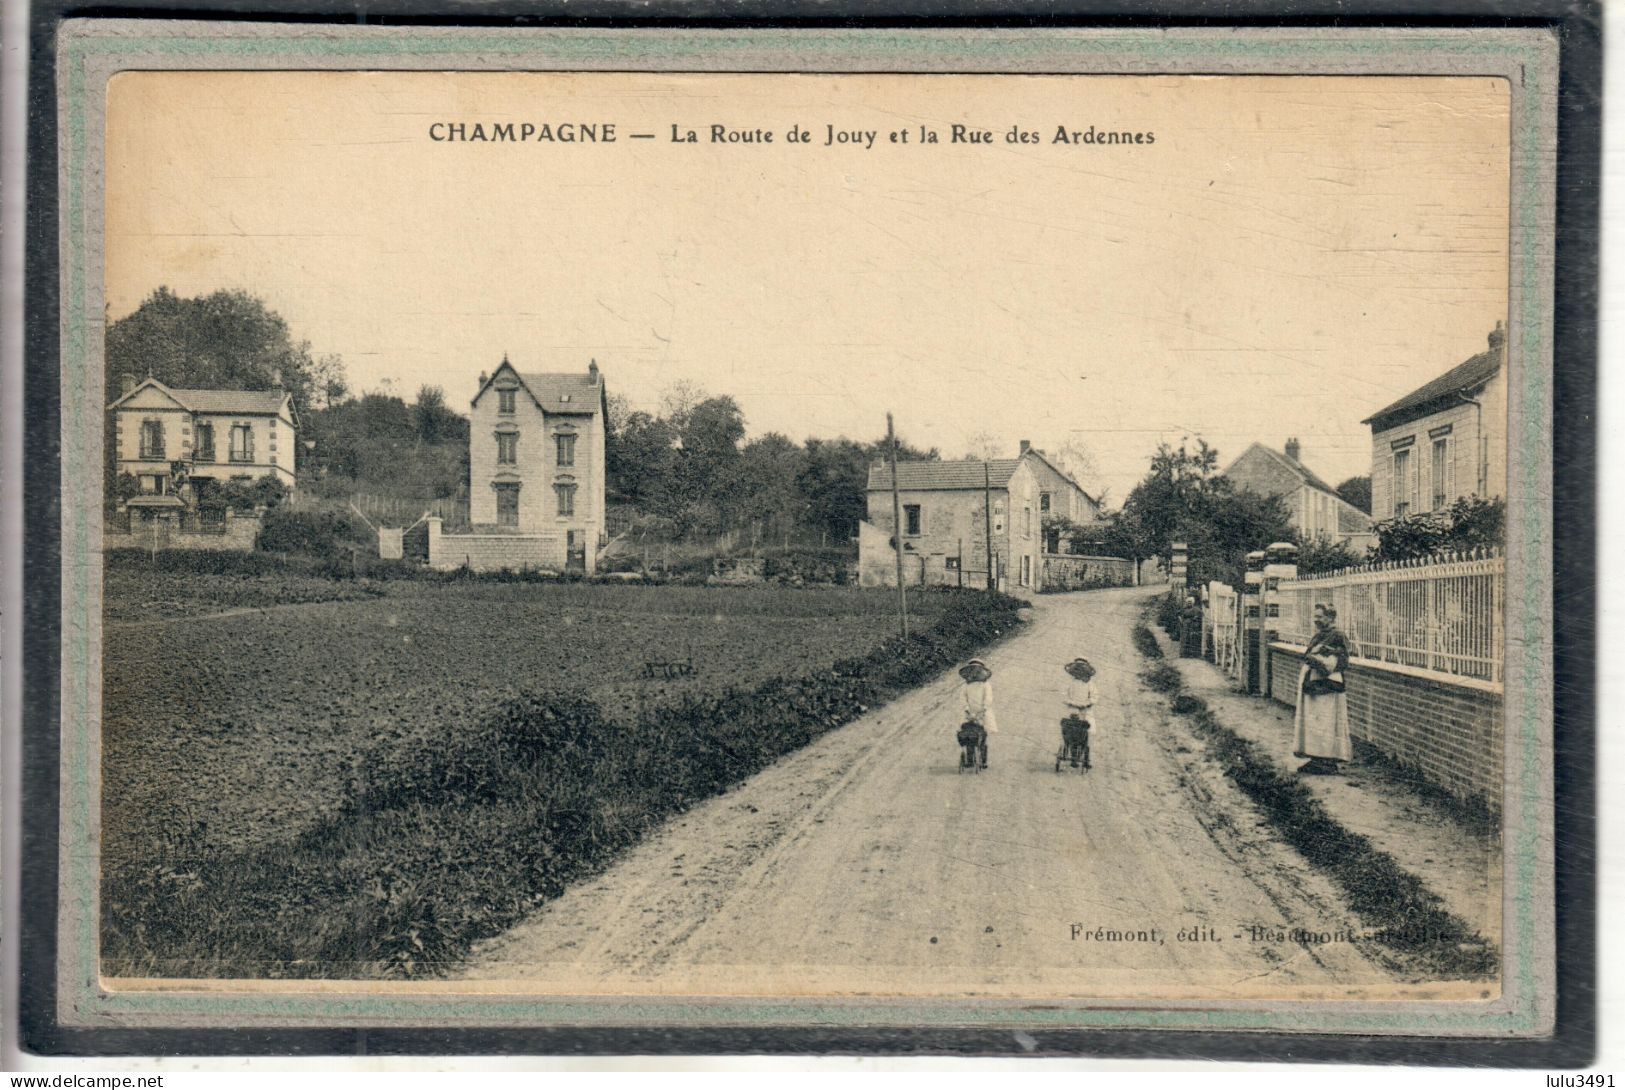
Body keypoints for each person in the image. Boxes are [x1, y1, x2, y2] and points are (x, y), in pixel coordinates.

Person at [1293, 604, 1353, 774]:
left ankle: (1326, 760)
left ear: (1330, 617)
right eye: (1315, 617)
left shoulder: (1338, 635)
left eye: (1319, 617)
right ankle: (1316, 758)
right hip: (1313, 684)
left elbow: (1342, 661)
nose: (1316, 620)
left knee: (1325, 722)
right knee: (1314, 721)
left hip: (1326, 685)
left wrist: (1320, 660)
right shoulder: (1320, 635)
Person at [958, 658, 996, 769]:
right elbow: (962, 698)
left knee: (982, 737)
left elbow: (988, 698)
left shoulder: (985, 685)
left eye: (977, 670)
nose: (975, 672)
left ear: (981, 671)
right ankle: (970, 760)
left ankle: (983, 760)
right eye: (972, 670)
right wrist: (967, 710)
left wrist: (983, 710)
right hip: (969, 713)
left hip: (983, 713)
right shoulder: (966, 685)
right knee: (969, 736)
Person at [1062, 657, 1096, 770]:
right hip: (1073, 709)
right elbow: (1064, 695)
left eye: (1082, 671)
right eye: (1077, 671)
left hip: (1085, 710)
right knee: (1071, 731)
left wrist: (1088, 703)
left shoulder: (1090, 684)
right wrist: (1071, 702)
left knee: (1085, 730)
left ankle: (1083, 756)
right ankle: (1073, 757)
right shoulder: (1070, 683)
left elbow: (1095, 697)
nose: (1080, 673)